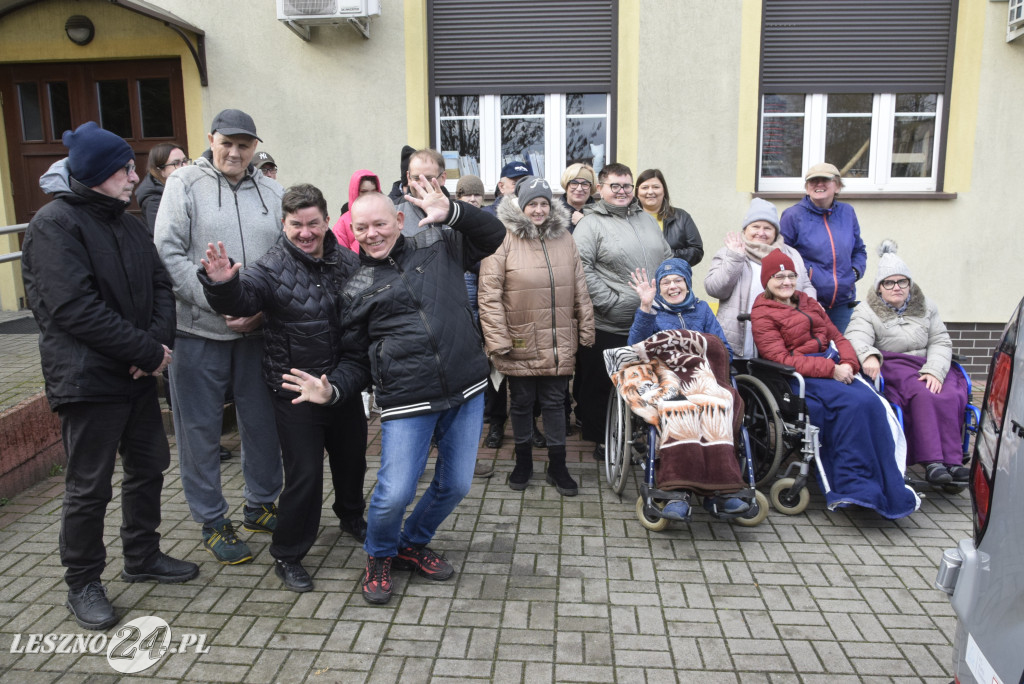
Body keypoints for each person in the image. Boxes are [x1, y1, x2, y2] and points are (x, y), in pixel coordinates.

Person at [283, 180, 505, 605]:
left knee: (456, 484)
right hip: (407, 399)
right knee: (395, 491)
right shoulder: (356, 287)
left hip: (466, 387)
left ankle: (410, 542)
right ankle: (380, 554)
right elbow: (354, 361)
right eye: (362, 227)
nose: (372, 234)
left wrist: (454, 210)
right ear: (352, 229)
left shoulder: (438, 246)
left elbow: (493, 236)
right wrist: (331, 391)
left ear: (399, 221)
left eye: (380, 224)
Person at [21, 121, 198, 630]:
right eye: (124, 168)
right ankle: (83, 582)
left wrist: (157, 347)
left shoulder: (126, 218)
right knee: (89, 485)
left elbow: (161, 285)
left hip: (138, 373)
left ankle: (142, 556)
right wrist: (145, 348)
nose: (131, 175)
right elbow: (72, 308)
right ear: (100, 174)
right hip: (87, 380)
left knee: (149, 464)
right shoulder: (54, 225)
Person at [198, 184, 367, 592]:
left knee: (352, 460)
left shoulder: (347, 260)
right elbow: (242, 299)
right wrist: (221, 284)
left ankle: (349, 515)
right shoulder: (270, 267)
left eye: (313, 223)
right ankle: (288, 554)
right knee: (305, 475)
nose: (306, 232)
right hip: (295, 390)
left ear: (327, 221)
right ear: (284, 223)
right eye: (296, 225)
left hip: (340, 383)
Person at [154, 108, 284, 565]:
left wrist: (259, 310)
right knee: (199, 431)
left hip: (256, 335)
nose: (235, 151)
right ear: (211, 139)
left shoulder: (272, 190)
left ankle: (261, 504)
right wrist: (222, 301)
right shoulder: (184, 184)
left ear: (254, 147)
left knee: (263, 425)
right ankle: (212, 518)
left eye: (244, 144)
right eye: (227, 142)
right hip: (197, 332)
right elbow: (167, 253)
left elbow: (283, 260)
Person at [751, 249, 919, 519]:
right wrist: (831, 369)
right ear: (767, 280)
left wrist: (850, 364)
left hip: (834, 367)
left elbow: (838, 338)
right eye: (778, 276)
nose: (786, 282)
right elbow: (779, 357)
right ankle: (854, 486)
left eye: (791, 276)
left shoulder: (808, 302)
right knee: (854, 406)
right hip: (798, 376)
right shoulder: (762, 313)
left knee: (874, 404)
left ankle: (885, 481)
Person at [478, 176, 595, 495]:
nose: (539, 209)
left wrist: (586, 326)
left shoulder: (565, 238)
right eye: (533, 203)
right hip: (520, 337)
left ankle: (558, 466)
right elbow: (488, 294)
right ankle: (523, 463)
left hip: (558, 338)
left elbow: (580, 285)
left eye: (544, 203)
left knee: (557, 403)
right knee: (522, 403)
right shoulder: (502, 239)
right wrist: (497, 339)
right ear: (521, 206)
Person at [845, 241, 970, 485]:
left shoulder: (927, 307)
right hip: (894, 366)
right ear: (879, 287)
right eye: (889, 282)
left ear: (909, 284)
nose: (896, 287)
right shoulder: (866, 311)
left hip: (928, 363)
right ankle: (933, 461)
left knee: (951, 393)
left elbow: (941, 342)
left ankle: (953, 462)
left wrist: (934, 370)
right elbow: (855, 338)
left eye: (902, 281)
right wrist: (869, 355)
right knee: (922, 394)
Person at [573, 162, 673, 460]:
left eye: (627, 186)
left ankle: (638, 433)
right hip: (610, 322)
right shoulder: (590, 223)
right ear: (600, 189)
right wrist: (613, 302)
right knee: (602, 385)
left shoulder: (645, 219)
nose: (622, 191)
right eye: (614, 186)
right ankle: (602, 438)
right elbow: (581, 269)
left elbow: (666, 256)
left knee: (643, 381)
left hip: (650, 319)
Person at [704, 198, 815, 357]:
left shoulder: (791, 255)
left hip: (781, 340)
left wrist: (811, 309)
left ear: (775, 231)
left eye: (768, 228)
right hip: (738, 341)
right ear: (746, 228)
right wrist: (735, 258)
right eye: (755, 226)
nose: (761, 233)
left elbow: (806, 287)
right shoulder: (729, 252)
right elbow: (715, 289)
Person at [780, 162, 867, 332]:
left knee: (844, 352)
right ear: (806, 188)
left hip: (843, 304)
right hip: (807, 303)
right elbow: (783, 258)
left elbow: (859, 250)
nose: (819, 184)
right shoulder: (792, 215)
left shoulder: (847, 212)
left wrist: (854, 273)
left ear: (838, 186)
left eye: (825, 180)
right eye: (813, 181)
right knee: (813, 354)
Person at [635, 169, 704, 266]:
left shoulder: (681, 217)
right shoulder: (629, 218)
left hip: (672, 279)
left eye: (656, 187)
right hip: (639, 278)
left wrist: (667, 256)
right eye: (645, 187)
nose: (650, 192)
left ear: (664, 191)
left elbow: (696, 251)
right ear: (637, 192)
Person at [136, 142, 189, 235]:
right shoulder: (154, 200)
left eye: (185, 161)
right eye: (176, 163)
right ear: (160, 171)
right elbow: (163, 236)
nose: (184, 166)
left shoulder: (183, 186)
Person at [332, 170, 382, 252]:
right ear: (354, 192)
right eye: (364, 192)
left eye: (373, 191)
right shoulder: (343, 223)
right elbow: (340, 255)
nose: (369, 196)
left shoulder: (386, 216)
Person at [559, 163, 596, 233]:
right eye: (574, 183)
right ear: (566, 185)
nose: (579, 189)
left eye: (585, 184)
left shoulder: (600, 214)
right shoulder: (552, 213)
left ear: (591, 188)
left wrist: (583, 222)